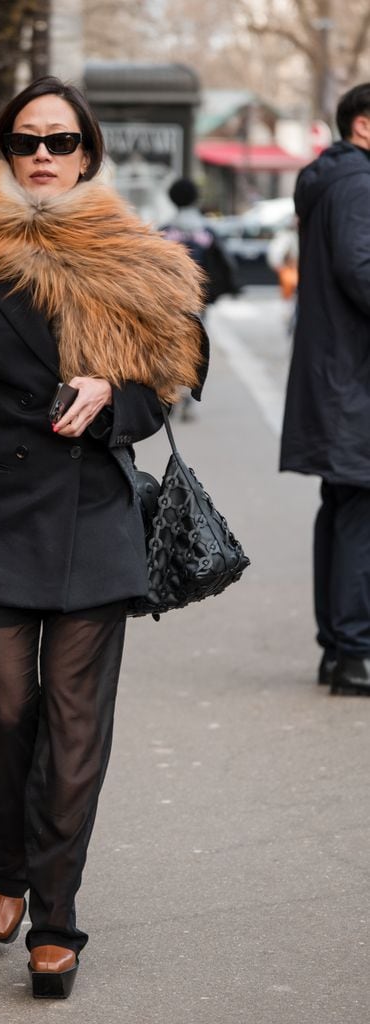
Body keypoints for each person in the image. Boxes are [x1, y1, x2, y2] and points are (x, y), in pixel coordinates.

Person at [0, 77, 207, 999]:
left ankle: (56, 916)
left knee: (74, 732)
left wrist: (115, 395)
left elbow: (167, 389)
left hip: (92, 517)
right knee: (3, 720)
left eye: (63, 141)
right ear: (5, 151)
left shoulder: (138, 262)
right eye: (28, 139)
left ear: (88, 155)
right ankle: (6, 854)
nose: (45, 154)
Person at [280, 83, 370, 696]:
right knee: (359, 513)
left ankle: (338, 649)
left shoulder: (327, 179)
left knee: (341, 509)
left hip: (336, 375)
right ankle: (356, 653)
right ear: (363, 125)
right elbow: (361, 268)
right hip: (355, 379)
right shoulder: (360, 183)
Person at [160, 177, 239, 418]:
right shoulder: (206, 231)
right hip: (198, 299)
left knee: (170, 347)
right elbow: (224, 265)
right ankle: (188, 397)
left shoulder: (163, 231)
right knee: (195, 348)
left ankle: (170, 393)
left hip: (170, 301)